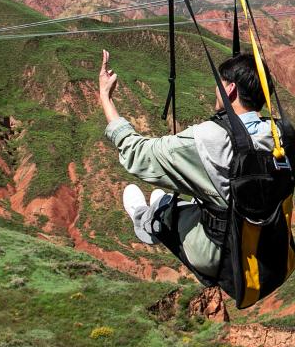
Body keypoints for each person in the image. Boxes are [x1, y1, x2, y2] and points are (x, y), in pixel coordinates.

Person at [97, 49, 276, 279]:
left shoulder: (212, 139)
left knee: (164, 214)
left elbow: (138, 153)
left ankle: (146, 218)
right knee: (207, 196)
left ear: (229, 89)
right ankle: (165, 205)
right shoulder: (278, 133)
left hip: (221, 254)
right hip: (266, 245)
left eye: (219, 83)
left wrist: (105, 96)